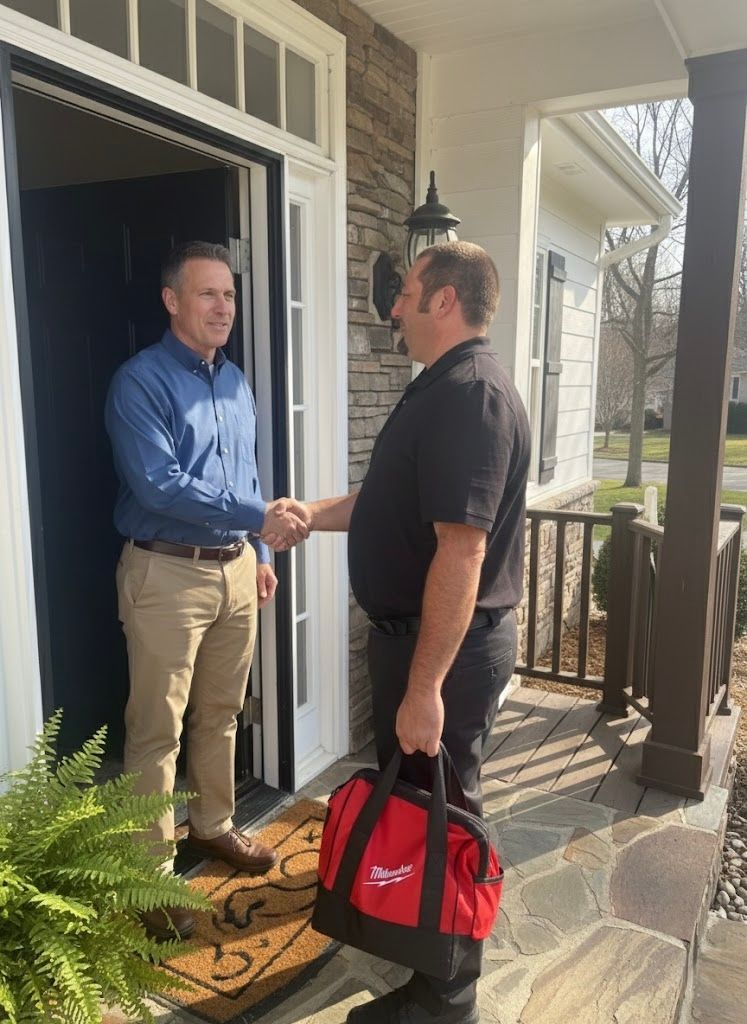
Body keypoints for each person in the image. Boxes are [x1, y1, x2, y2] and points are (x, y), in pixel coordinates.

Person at [306, 241, 530, 1024]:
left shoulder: (470, 395)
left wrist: (425, 686)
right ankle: (421, 959)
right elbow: (383, 495)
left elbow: (462, 550)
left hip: (446, 655)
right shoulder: (436, 390)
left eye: (403, 293)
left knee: (446, 817)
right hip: (418, 643)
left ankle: (445, 998)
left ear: (442, 301)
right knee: (417, 807)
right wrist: (311, 515)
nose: (391, 307)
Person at [105, 241, 309, 941]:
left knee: (222, 710)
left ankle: (213, 825)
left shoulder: (235, 381)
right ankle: (147, 877)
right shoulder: (141, 382)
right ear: (171, 300)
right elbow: (158, 484)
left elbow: (241, 475)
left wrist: (252, 548)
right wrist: (260, 519)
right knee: (155, 729)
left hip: (231, 570)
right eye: (207, 295)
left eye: (228, 294)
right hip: (165, 573)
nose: (224, 307)